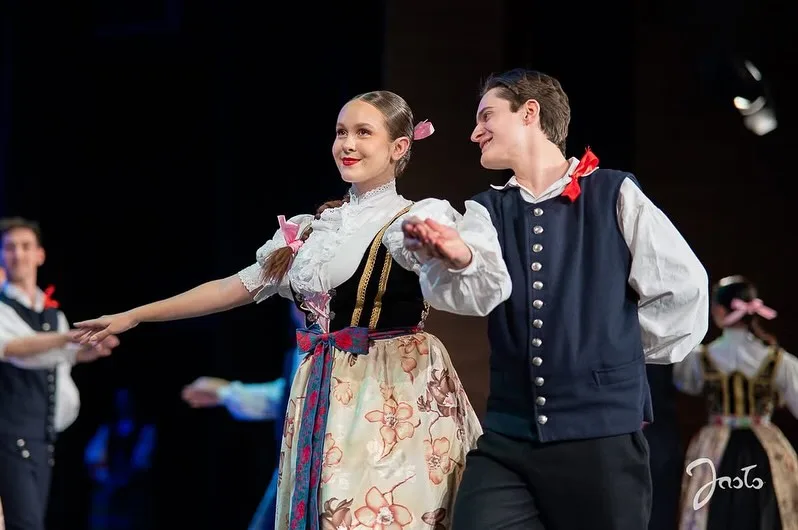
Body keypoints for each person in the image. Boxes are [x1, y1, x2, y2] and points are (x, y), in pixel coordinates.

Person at [73, 90, 512, 530]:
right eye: (341, 132)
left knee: (381, 513)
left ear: (399, 147)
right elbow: (234, 287)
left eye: (364, 132)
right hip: (321, 389)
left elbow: (466, 276)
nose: (347, 144)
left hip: (391, 391)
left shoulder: (413, 219)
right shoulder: (311, 230)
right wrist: (136, 314)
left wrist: (452, 254)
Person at [403, 68, 710, 529]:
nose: (474, 132)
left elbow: (683, 289)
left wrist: (615, 351)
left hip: (600, 437)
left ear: (529, 112)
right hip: (509, 438)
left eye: (487, 116)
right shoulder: (486, 210)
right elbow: (475, 293)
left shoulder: (613, 192)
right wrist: (459, 257)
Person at [0, 217, 120, 530]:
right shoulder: (2, 307)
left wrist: (89, 350)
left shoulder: (53, 315)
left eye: (25, 246)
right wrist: (67, 339)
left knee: (30, 521)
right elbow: (11, 347)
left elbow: (59, 358)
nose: (18, 254)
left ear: (39, 255)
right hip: (9, 435)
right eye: (10, 247)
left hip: (42, 437)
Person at [674, 275, 798, 530]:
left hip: (715, 446)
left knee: (714, 512)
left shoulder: (700, 357)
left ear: (719, 311)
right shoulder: (779, 359)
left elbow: (685, 384)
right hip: (765, 445)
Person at [181, 303, 305, 530]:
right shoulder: (298, 353)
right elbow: (285, 399)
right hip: (294, 469)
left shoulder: (338, 350)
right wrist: (226, 393)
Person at [84, 388, 157, 530]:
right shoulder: (108, 429)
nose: (123, 405)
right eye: (120, 401)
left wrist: (124, 479)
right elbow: (92, 458)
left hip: (132, 490)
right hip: (107, 488)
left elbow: (142, 462)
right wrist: (107, 477)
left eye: (127, 401)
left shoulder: (145, 429)